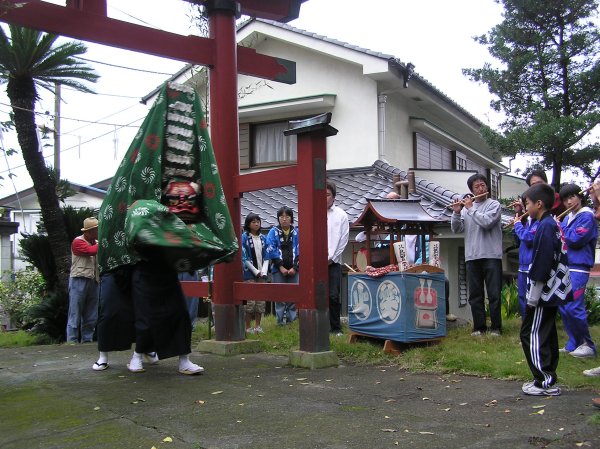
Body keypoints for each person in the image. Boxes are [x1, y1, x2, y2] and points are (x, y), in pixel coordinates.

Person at [520, 182, 572, 396]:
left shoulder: (545, 226)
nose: (525, 208)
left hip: (544, 292)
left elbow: (542, 262)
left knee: (531, 333)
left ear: (539, 204)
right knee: (546, 333)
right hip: (554, 290)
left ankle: (543, 381)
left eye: (528, 204)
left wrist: (533, 296)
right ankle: (548, 377)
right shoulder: (551, 224)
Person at [450, 174, 503, 336]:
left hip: (491, 255)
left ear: (487, 187)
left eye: (482, 185)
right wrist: (457, 213)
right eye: (476, 187)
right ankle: (479, 327)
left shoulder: (494, 205)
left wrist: (470, 209)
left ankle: (496, 328)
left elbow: (486, 222)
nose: (481, 189)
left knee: (493, 293)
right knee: (475, 295)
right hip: (472, 256)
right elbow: (456, 229)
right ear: (472, 190)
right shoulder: (467, 210)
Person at [557, 183, 597, 358]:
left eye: (572, 197)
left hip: (579, 267)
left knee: (574, 306)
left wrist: (560, 228)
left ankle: (587, 344)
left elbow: (575, 239)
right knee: (564, 306)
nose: (569, 202)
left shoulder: (587, 216)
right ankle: (574, 342)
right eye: (565, 199)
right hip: (565, 266)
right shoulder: (566, 218)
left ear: (580, 197)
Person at [66, 217, 99, 344]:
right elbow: (91, 251)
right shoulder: (78, 242)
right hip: (78, 280)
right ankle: (72, 342)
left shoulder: (95, 242)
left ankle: (87, 340)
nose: (98, 232)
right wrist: (104, 241)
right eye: (97, 230)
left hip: (93, 280)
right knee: (75, 313)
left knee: (91, 314)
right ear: (89, 231)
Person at [266, 206, 299, 325]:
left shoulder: (297, 232)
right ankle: (280, 321)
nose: (284, 219)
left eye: (287, 216)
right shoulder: (273, 232)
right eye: (281, 217)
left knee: (293, 294)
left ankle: (292, 320)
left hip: (294, 269)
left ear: (291, 218)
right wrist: (281, 267)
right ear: (278, 218)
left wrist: (295, 268)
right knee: (279, 295)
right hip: (277, 269)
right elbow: (271, 249)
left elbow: (301, 250)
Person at [326, 180, 349, 336]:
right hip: (315, 262)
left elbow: (344, 239)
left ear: (333, 197)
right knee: (316, 295)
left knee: (333, 295)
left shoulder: (341, 214)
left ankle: (335, 328)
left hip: (333, 262)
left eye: (327, 195)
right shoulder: (313, 212)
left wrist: (331, 257)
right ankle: (319, 326)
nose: (324, 198)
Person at [241, 213, 269, 334]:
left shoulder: (263, 238)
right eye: (253, 222)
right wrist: (255, 271)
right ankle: (247, 327)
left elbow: (267, 255)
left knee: (260, 300)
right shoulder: (244, 237)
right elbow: (244, 257)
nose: (256, 224)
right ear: (248, 224)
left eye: (258, 221)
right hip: (249, 273)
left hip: (262, 273)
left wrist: (264, 270)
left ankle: (258, 325)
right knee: (250, 301)